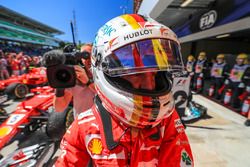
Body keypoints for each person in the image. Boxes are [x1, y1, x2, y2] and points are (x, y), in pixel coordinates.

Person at [55, 14, 193, 166]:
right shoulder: (84, 126)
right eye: (135, 73)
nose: (149, 85)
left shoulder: (168, 120)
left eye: (155, 74)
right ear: (103, 70)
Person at [53, 44, 95, 118]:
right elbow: (59, 108)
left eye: (92, 54)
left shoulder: (105, 74)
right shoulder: (74, 78)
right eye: (85, 56)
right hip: (82, 124)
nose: (89, 59)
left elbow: (107, 96)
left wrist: (88, 82)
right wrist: (60, 86)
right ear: (80, 59)